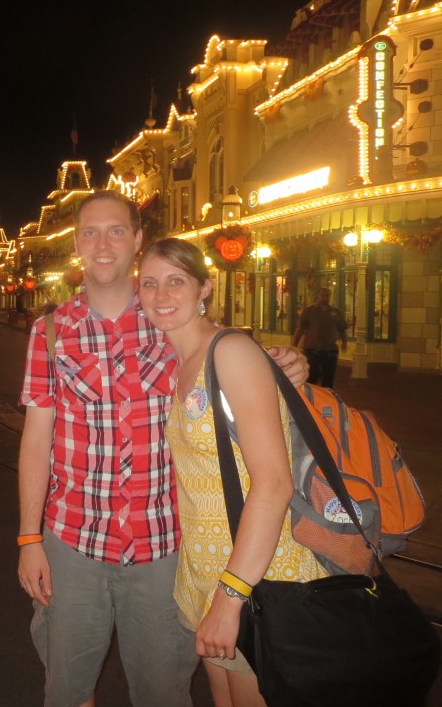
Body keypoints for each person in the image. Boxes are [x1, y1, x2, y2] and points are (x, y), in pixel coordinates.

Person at [17, 190, 308, 707]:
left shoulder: (167, 321)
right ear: (76, 243)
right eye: (89, 232)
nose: (102, 244)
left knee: (163, 693)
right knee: (66, 689)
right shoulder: (50, 332)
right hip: (73, 538)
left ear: (137, 239)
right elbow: (37, 439)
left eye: (116, 231)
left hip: (164, 547)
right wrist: (28, 537)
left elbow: (226, 358)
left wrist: (284, 364)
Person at [137, 238, 327, 706]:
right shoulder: (178, 362)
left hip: (258, 581)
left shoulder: (231, 351)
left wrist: (231, 596)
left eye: (176, 281)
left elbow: (275, 482)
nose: (161, 294)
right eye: (149, 283)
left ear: (205, 287)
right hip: (205, 573)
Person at [291, 287, 347, 387]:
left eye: (327, 295)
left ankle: (327, 397)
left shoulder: (336, 312)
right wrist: (294, 344)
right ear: (318, 296)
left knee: (328, 376)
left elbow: (342, 329)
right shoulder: (309, 311)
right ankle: (312, 396)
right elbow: (300, 328)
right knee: (313, 374)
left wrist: (344, 342)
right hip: (312, 348)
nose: (325, 298)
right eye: (322, 295)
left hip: (330, 349)